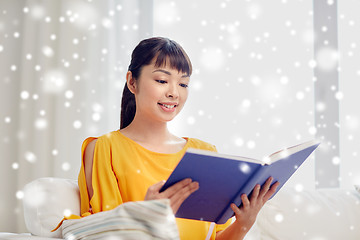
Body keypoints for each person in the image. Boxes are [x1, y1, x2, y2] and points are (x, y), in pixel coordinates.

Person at [78, 37, 279, 240]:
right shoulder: (106, 148)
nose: (174, 93)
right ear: (132, 82)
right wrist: (146, 217)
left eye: (183, 84)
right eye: (162, 81)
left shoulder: (205, 152)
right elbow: (102, 233)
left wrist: (244, 223)